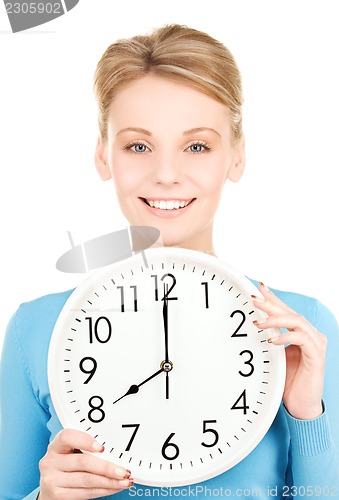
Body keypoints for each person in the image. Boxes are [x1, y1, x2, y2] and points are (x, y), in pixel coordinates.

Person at [0, 23, 338, 500]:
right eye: (139, 146)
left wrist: (306, 416)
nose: (165, 175)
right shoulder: (36, 329)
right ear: (103, 156)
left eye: (196, 146)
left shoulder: (303, 330)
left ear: (236, 157)